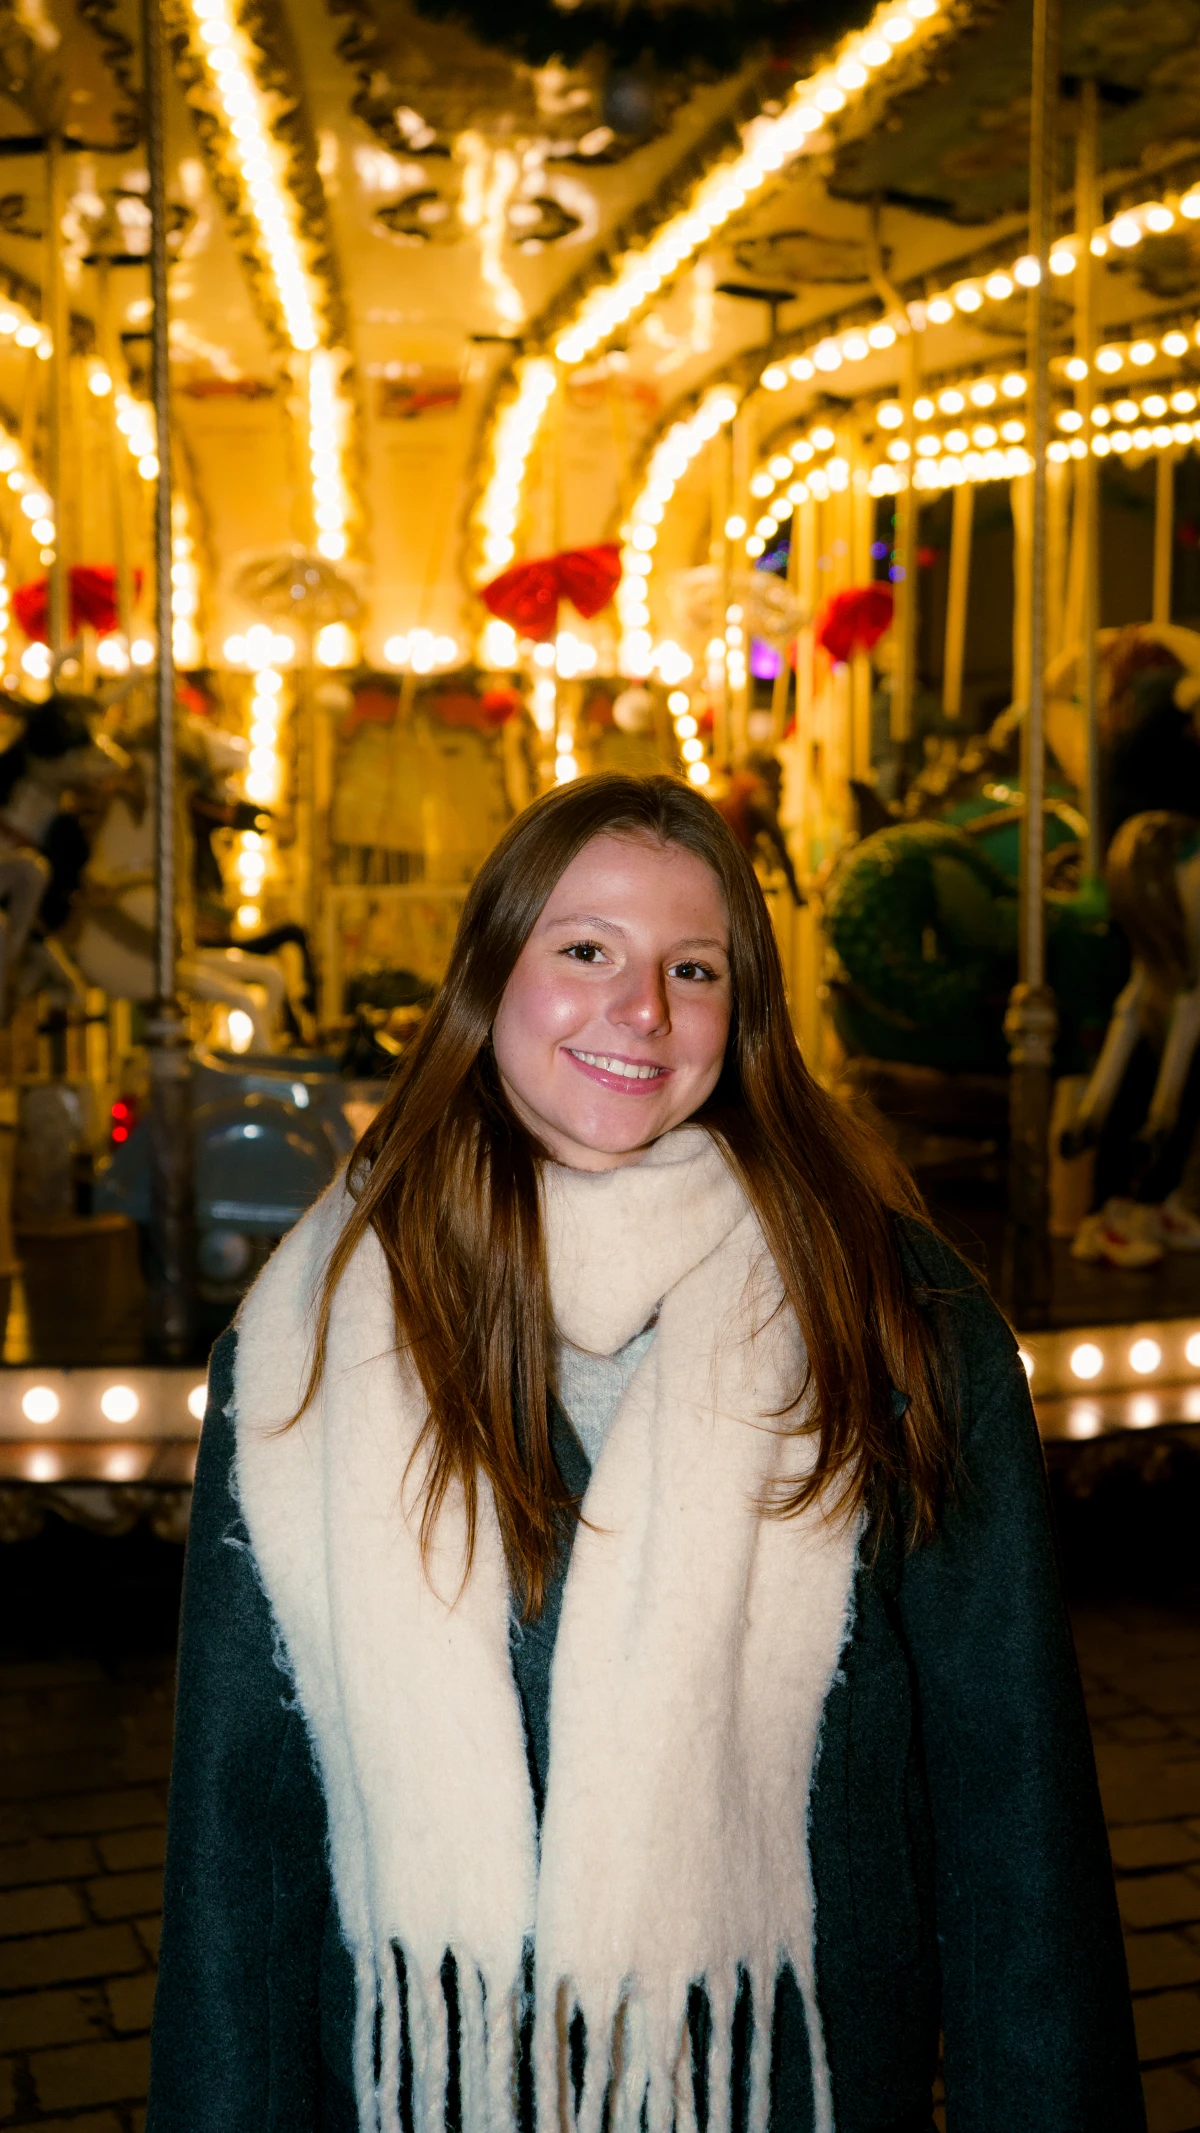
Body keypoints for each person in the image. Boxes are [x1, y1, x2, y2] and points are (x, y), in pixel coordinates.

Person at [148, 772, 1143, 2133]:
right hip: (419, 2086)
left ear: (746, 1017)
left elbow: (1012, 1805)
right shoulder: (308, 1341)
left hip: (789, 2077)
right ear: (489, 972)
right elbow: (238, 1840)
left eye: (693, 966)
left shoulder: (892, 1312)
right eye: (584, 950)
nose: (643, 1010)